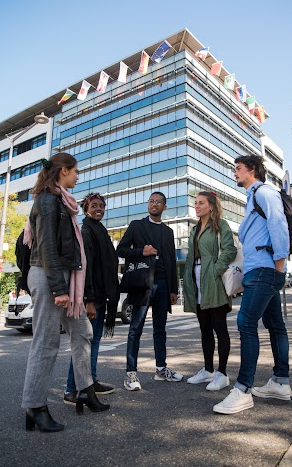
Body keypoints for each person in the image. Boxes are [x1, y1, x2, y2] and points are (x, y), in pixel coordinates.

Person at [21, 154, 110, 433]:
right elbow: (47, 246)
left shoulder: (63, 202)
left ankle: (85, 390)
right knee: (46, 343)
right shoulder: (48, 201)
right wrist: (60, 288)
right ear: (62, 171)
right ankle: (34, 405)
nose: (78, 176)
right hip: (50, 276)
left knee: (83, 332)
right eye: (75, 172)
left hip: (63, 277)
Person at [213, 154, 292, 415]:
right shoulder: (252, 197)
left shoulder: (264, 192)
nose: (234, 172)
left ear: (253, 170)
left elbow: (278, 223)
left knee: (246, 324)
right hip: (260, 268)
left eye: (238, 168)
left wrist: (279, 263)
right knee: (275, 325)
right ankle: (280, 382)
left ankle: (243, 389)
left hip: (264, 270)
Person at [116, 191, 183, 391]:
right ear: (148, 205)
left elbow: (171, 261)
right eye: (151, 201)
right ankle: (130, 373)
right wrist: (141, 252)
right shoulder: (137, 225)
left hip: (163, 284)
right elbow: (121, 249)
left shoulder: (168, 232)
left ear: (164, 207)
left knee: (160, 329)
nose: (154, 204)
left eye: (158, 202)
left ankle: (161, 369)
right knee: (135, 327)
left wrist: (173, 289)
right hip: (143, 283)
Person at [64, 193, 120, 405]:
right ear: (86, 208)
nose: (99, 209)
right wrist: (88, 299)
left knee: (93, 342)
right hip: (92, 296)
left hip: (101, 295)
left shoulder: (100, 230)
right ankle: (71, 389)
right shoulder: (86, 231)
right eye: (94, 205)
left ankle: (91, 382)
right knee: (83, 344)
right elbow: (85, 269)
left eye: (102, 206)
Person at [183, 192, 237, 391]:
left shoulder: (221, 225)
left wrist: (215, 270)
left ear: (211, 206)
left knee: (219, 327)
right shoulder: (195, 228)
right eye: (195, 203)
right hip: (197, 280)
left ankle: (222, 374)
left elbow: (230, 250)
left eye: (201, 203)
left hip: (212, 280)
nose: (197, 206)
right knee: (204, 328)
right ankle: (208, 370)